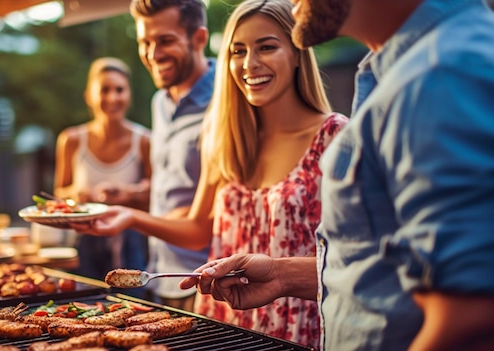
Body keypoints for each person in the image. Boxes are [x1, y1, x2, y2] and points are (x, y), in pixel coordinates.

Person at [180, 0, 494, 350]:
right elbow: (379, 272)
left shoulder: (443, 71)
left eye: (266, 46)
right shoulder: (402, 71)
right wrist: (281, 275)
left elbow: (471, 317)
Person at [74, 0, 347, 346]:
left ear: (297, 53)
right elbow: (197, 229)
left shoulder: (336, 138)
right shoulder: (224, 136)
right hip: (219, 328)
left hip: (295, 330)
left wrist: (281, 273)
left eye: (266, 47)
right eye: (237, 50)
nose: (249, 63)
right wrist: (126, 215)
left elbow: (359, 263)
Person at [114, 0, 217, 311]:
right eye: (144, 42)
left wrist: (130, 218)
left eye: (165, 41)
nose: (152, 54)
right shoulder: (160, 101)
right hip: (157, 276)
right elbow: (176, 186)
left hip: (204, 286)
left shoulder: (227, 100)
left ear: (199, 38)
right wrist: (132, 196)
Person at [54, 57, 151, 288]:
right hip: (83, 243)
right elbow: (59, 193)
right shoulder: (71, 140)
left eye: (120, 89)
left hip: (131, 243)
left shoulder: (145, 141)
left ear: (129, 94)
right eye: (104, 90)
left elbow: (156, 196)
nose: (112, 97)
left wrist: (129, 194)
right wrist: (78, 195)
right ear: (89, 95)